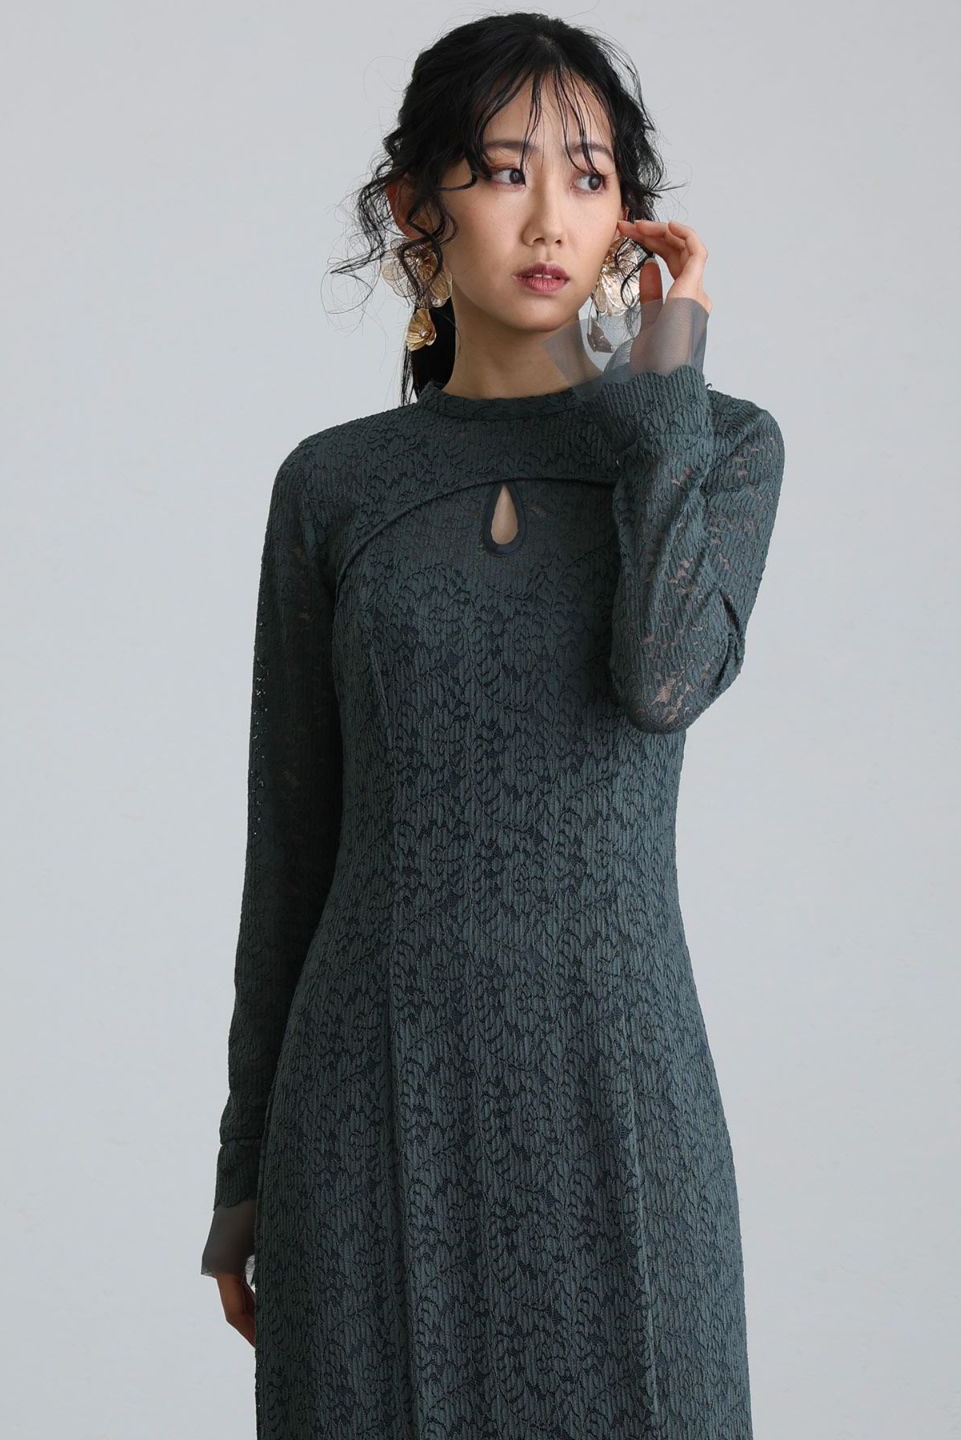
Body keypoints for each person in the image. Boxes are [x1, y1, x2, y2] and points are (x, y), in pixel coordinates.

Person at [200, 13, 786, 1438]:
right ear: (418, 208)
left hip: (619, 1095)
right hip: (368, 1103)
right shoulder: (335, 488)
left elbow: (660, 680)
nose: (549, 217)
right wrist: (243, 1167)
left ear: (630, 216)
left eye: (589, 176)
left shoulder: (720, 448)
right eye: (505, 170)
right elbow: (293, 842)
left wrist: (666, 377)